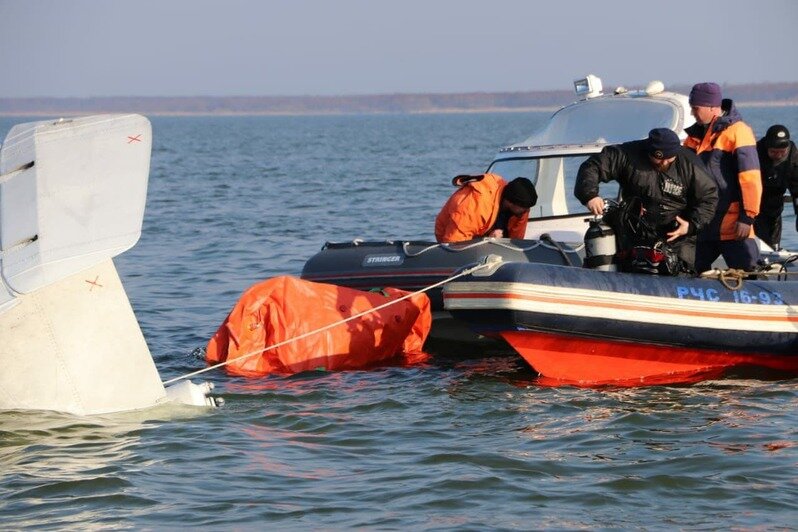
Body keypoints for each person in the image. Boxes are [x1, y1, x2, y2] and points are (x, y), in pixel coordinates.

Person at [574, 128, 718, 274]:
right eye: (659, 157)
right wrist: (590, 195)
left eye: (670, 158)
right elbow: (593, 166)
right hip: (634, 233)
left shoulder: (690, 164)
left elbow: (709, 198)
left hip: (676, 237)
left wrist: (691, 225)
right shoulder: (627, 154)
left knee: (680, 271)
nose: (665, 162)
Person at [683, 82, 762, 272]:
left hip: (734, 225)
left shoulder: (738, 131)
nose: (693, 112)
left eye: (695, 108)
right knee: (689, 270)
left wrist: (747, 217)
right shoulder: (692, 138)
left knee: (748, 274)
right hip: (702, 224)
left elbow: (750, 178)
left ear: (712, 107)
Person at [434, 174, 537, 243]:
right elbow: (454, 242)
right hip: (454, 237)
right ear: (511, 202)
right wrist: (487, 241)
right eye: (524, 208)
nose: (526, 211)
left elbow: (516, 242)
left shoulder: (521, 208)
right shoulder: (477, 204)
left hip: (487, 239)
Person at [754, 125, 798, 250]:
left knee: (772, 245)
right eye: (773, 152)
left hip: (775, 208)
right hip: (755, 208)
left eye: (782, 152)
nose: (778, 155)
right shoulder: (755, 153)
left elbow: (797, 187)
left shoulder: (792, 155)